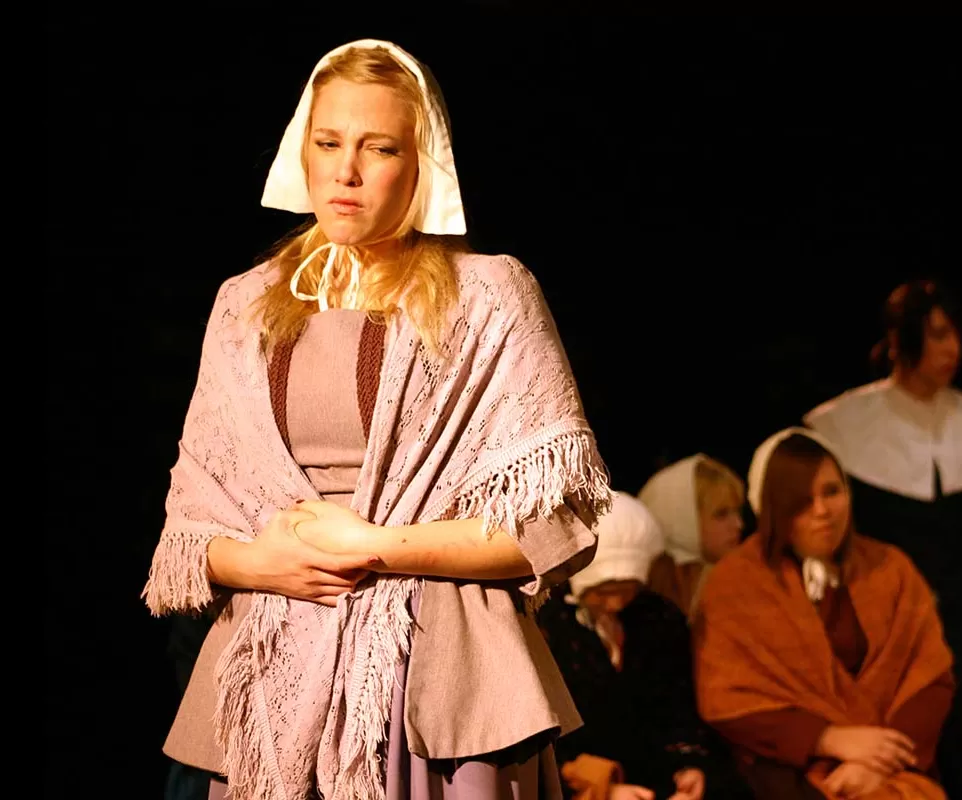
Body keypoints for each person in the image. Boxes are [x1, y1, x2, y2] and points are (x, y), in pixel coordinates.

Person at [142, 39, 611, 800]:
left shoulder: (486, 297)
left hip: (436, 676)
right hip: (271, 674)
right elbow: (189, 536)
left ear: (423, 164)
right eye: (328, 143)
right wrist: (263, 564)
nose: (346, 171)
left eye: (380, 147)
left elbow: (549, 525)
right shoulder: (243, 305)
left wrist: (373, 547)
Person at [804, 280, 962, 800]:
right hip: (881, 631)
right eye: (938, 335)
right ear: (900, 340)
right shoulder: (844, 425)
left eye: (957, 335)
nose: (953, 349)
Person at [694, 428, 955, 800]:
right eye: (802, 501)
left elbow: (930, 677)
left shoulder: (889, 568)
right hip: (787, 774)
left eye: (832, 492)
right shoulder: (736, 583)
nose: (822, 511)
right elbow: (727, 699)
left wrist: (878, 762)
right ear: (773, 508)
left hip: (891, 765)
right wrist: (827, 739)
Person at [538, 491, 722, 800]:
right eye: (603, 591)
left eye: (626, 590)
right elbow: (547, 736)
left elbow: (676, 703)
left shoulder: (657, 618)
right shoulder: (550, 626)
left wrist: (689, 766)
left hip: (654, 782)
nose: (615, 603)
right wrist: (605, 789)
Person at [636, 454, 745, 620]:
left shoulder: (740, 584)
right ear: (684, 519)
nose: (738, 524)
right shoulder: (648, 607)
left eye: (737, 511)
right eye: (721, 514)